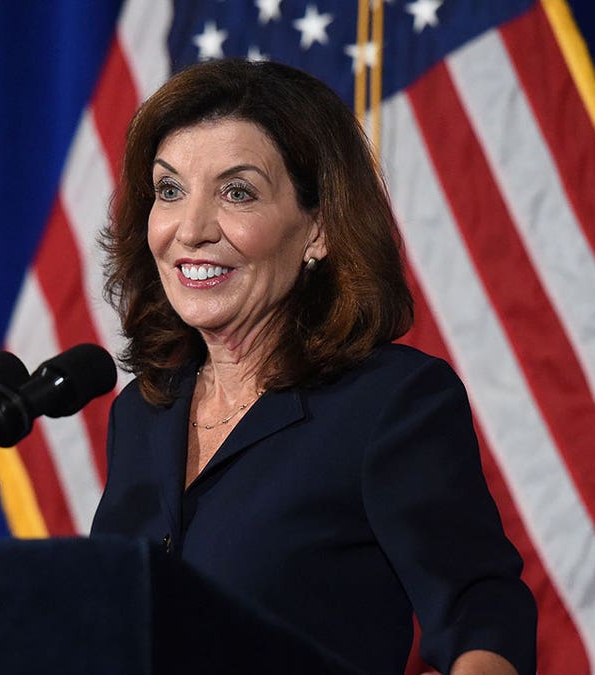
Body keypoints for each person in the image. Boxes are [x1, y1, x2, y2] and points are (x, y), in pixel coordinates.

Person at [90, 59, 536, 675]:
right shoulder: (143, 412)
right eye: (170, 191)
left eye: (237, 192)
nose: (190, 230)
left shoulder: (390, 405)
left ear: (318, 229)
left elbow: (480, 613)